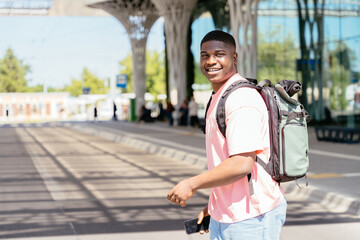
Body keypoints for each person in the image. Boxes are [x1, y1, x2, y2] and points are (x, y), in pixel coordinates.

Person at [167, 30, 287, 240]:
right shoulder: (219, 96)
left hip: (251, 218)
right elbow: (225, 161)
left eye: (219, 54)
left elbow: (241, 164)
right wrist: (215, 203)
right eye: (205, 55)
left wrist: (191, 184)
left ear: (234, 57)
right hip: (227, 215)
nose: (211, 61)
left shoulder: (241, 98)